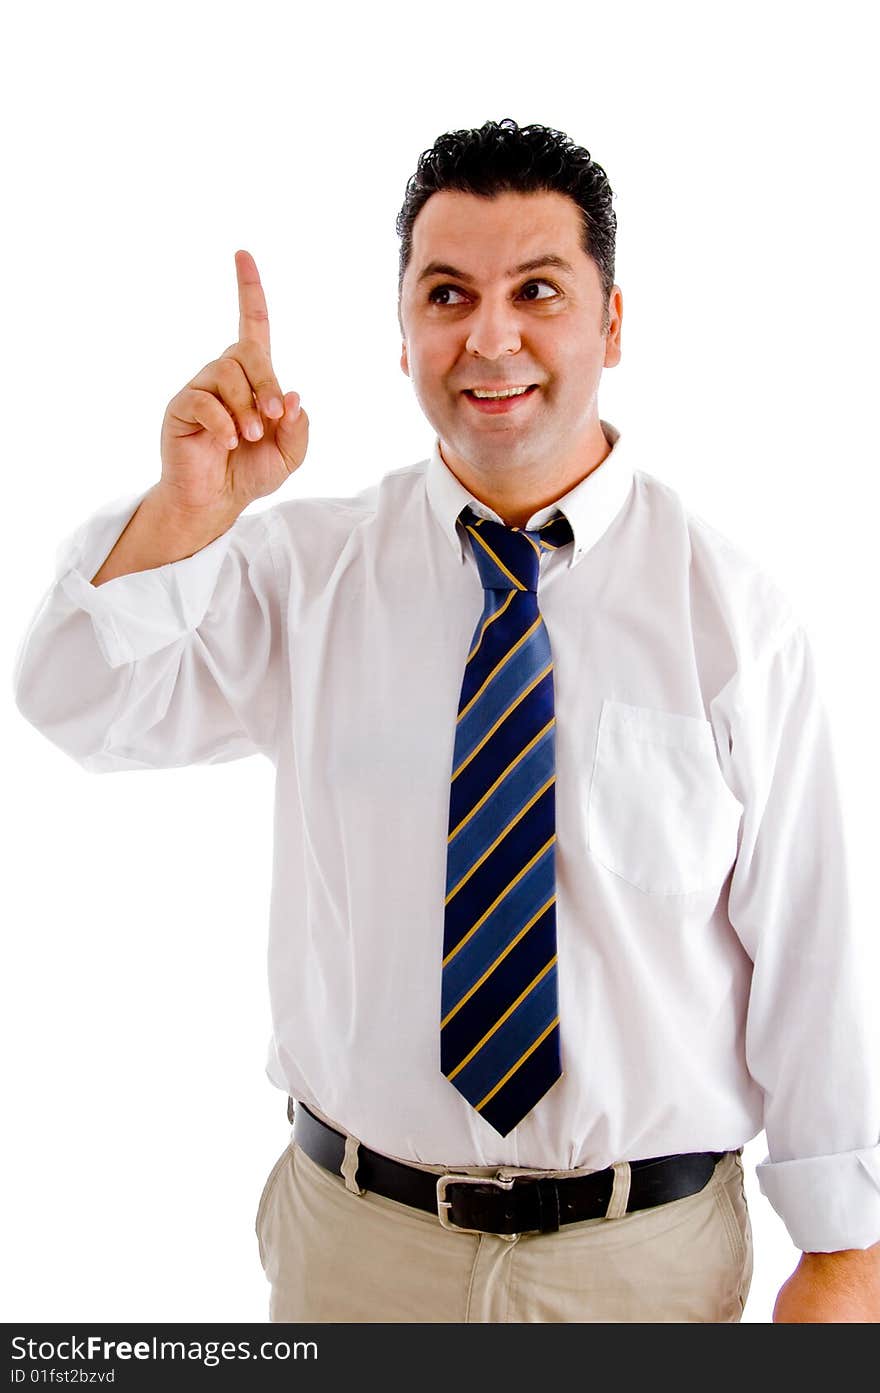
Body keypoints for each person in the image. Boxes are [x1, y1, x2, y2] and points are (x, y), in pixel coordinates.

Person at [12, 117, 880, 1323]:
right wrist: (188, 506)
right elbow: (78, 701)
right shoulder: (303, 576)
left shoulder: (730, 615)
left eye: (537, 290)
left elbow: (813, 945)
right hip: (354, 1251)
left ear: (611, 324)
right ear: (403, 330)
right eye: (447, 293)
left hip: (642, 1267)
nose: (489, 337)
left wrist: (845, 1253)